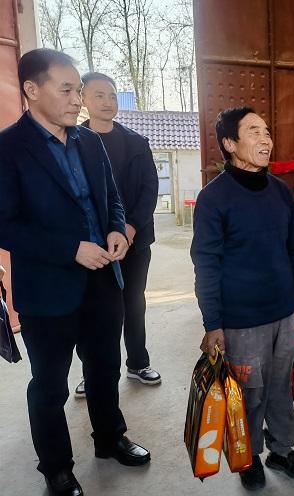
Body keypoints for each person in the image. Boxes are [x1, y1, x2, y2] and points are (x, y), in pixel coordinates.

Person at [0, 48, 150, 496]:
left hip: (102, 280)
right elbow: (6, 224)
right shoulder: (8, 148)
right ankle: (56, 467)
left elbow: (112, 198)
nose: (77, 100)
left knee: (104, 368)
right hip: (48, 290)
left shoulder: (89, 141)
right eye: (66, 90)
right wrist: (71, 250)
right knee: (50, 385)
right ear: (31, 89)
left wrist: (117, 228)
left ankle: (110, 438)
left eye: (78, 90)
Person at [190, 106, 294, 491]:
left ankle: (282, 449)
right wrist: (213, 323)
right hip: (241, 319)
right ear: (230, 144)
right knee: (248, 393)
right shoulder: (214, 198)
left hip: (283, 312)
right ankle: (249, 455)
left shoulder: (280, 191)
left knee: (280, 388)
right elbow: (206, 264)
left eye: (267, 132)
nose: (266, 139)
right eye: (254, 132)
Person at [73, 71, 160, 399]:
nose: (107, 102)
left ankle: (138, 362)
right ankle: (93, 373)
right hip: (91, 246)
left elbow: (149, 189)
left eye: (112, 95)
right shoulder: (71, 143)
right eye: (99, 95)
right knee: (93, 310)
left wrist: (131, 227)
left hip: (134, 241)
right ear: (83, 99)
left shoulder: (136, 143)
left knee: (133, 302)